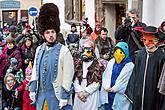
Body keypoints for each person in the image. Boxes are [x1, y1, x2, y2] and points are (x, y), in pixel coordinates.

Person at [29, 3, 74, 110]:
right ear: (43, 34)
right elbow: (35, 70)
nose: (50, 35)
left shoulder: (64, 51)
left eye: (53, 32)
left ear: (56, 33)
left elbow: (68, 75)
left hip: (57, 96)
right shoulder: (39, 49)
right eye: (47, 32)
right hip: (41, 96)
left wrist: (64, 96)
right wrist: (32, 88)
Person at [125, 26, 165, 110]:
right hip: (138, 96)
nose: (147, 44)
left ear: (156, 40)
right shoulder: (140, 55)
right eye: (144, 40)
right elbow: (135, 75)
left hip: (153, 97)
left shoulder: (161, 57)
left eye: (150, 40)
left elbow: (162, 82)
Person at [99, 42, 134, 110]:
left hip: (120, 95)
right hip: (109, 94)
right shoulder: (111, 61)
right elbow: (106, 75)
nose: (118, 55)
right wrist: (106, 86)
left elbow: (125, 81)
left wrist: (115, 88)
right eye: (116, 52)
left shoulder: (130, 65)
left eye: (120, 52)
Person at [73, 40, 105, 110]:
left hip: (91, 94)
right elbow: (75, 79)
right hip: (79, 92)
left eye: (87, 50)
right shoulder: (78, 63)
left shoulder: (97, 65)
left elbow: (97, 82)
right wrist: (79, 92)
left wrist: (85, 93)